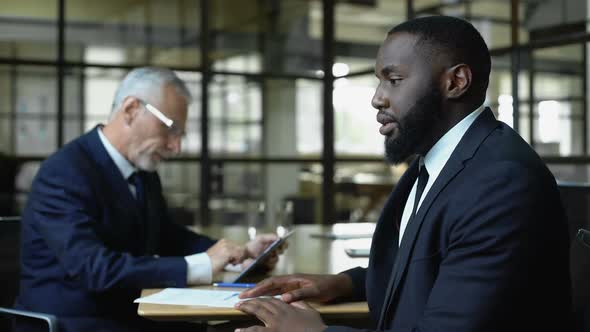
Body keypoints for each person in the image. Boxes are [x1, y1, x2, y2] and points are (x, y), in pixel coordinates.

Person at [234, 16, 572, 332]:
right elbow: (434, 266)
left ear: (455, 81)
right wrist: (346, 283)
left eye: (394, 80)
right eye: (380, 81)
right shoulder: (440, 161)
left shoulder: (501, 182)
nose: (377, 99)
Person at [15, 67, 281, 332]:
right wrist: (202, 265)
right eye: (170, 128)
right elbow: (95, 269)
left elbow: (167, 236)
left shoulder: (142, 169)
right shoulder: (64, 171)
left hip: (128, 308)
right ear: (131, 110)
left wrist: (238, 254)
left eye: (180, 135)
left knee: (241, 323)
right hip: (75, 320)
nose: (175, 147)